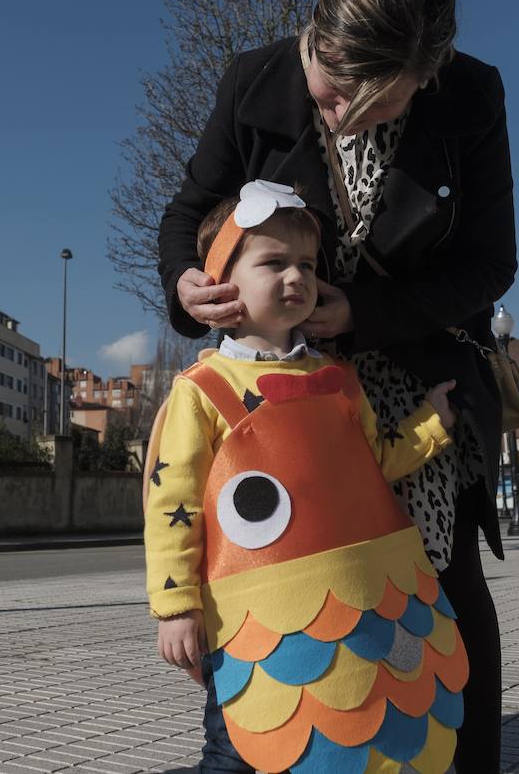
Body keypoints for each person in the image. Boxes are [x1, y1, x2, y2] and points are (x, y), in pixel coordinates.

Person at [157, 0, 516, 770]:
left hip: (408, 371)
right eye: (328, 84)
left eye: (371, 104)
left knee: (438, 578)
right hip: (274, 378)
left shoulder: (470, 95)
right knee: (274, 573)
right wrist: (185, 279)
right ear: (315, 29)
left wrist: (360, 312)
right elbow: (186, 211)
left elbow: (489, 263)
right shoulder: (256, 77)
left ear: (424, 79)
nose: (337, 112)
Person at [145, 180, 466, 772]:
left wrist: (431, 425)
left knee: (347, 735)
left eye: (308, 265)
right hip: (251, 616)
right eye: (274, 262)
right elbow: (174, 504)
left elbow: (375, 465)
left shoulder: (340, 379)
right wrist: (175, 607)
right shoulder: (202, 391)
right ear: (221, 280)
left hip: (353, 599)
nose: (297, 277)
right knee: (237, 744)